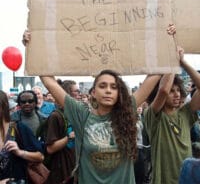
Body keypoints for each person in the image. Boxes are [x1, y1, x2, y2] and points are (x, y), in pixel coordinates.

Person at [39, 70, 161, 184]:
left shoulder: (127, 111)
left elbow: (154, 75)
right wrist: (35, 49)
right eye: (102, 86)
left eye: (114, 87)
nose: (108, 90)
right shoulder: (81, 116)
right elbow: (50, 83)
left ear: (119, 93)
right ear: (93, 92)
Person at [144, 26, 200, 183]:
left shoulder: (185, 114)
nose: (177, 94)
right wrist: (172, 61)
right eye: (172, 91)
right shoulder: (153, 116)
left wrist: (183, 62)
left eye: (178, 90)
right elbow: (162, 90)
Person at [0, 90, 44, 183]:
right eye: (23, 102)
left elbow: (40, 156)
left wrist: (20, 152)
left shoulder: (18, 128)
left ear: (3, 106)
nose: (27, 104)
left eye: (30, 101)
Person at [45, 79, 78, 184]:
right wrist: (69, 137)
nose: (80, 94)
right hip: (61, 172)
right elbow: (50, 149)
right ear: (67, 94)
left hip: (75, 169)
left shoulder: (75, 113)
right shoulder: (56, 116)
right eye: (76, 91)